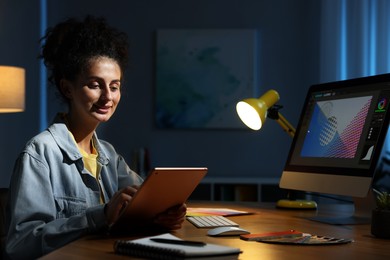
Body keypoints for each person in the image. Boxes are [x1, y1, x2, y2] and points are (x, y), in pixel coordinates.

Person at [4, 16, 186, 259]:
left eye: (114, 86)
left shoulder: (109, 155)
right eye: (95, 85)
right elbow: (21, 244)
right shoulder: (39, 153)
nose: (107, 97)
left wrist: (164, 213)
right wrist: (100, 215)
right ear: (67, 88)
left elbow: (144, 201)